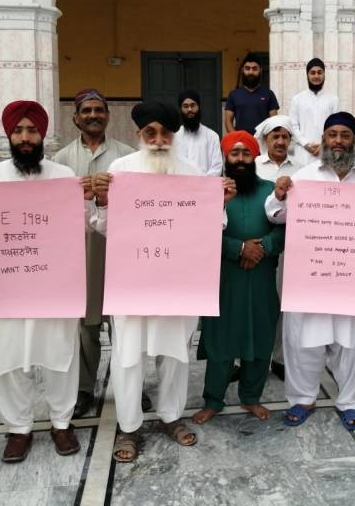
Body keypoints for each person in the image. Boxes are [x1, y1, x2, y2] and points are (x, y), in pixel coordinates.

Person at [90, 101, 236, 462]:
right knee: (128, 355)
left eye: (164, 133)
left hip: (178, 284)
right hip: (133, 283)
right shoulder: (119, 170)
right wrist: (104, 200)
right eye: (149, 133)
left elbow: (213, 228)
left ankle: (171, 416)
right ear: (139, 135)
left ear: (174, 136)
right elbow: (103, 227)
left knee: (175, 354)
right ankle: (130, 426)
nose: (157, 140)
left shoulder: (192, 173)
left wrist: (222, 203)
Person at [0, 100, 86, 463]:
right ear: (9, 134)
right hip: (7, 288)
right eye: (19, 131)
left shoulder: (62, 174)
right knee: (10, 359)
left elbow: (82, 224)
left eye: (32, 130)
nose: (26, 138)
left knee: (60, 357)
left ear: (43, 135)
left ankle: (61, 422)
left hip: (54, 288)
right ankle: (19, 429)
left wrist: (85, 198)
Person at [265, 112, 355, 431]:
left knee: (354, 343)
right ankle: (302, 398)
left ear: (353, 141)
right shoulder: (304, 177)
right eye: (332, 135)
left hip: (353, 280)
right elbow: (274, 215)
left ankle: (351, 402)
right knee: (303, 342)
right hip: (311, 278)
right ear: (323, 139)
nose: (338, 141)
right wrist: (280, 194)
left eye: (344, 135)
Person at [53, 88, 134, 419]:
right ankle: (84, 389)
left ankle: (131, 387)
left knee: (125, 325)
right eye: (86, 111)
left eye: (99, 110)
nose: (92, 115)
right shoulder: (59, 162)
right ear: (75, 117)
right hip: (80, 254)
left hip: (120, 253)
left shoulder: (127, 157)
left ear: (107, 115)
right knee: (84, 328)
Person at [193, 131, 284, 424]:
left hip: (261, 278)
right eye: (235, 154)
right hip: (224, 280)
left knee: (260, 340)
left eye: (246, 154)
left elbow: (285, 228)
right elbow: (199, 232)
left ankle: (251, 398)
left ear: (254, 157)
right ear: (226, 157)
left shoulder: (271, 191)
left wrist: (264, 247)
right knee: (221, 341)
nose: (241, 160)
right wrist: (239, 248)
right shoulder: (211, 193)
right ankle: (213, 400)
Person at [254, 115, 304, 380]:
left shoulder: (302, 170)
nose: (281, 141)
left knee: (286, 302)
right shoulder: (252, 167)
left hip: (291, 248)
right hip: (256, 248)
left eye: (285, 136)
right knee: (259, 303)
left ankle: (281, 358)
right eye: (276, 136)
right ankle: (252, 356)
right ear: (265, 140)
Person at [289, 58, 339, 163]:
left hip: (326, 151)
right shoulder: (297, 99)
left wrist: (323, 144)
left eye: (319, 73)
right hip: (302, 153)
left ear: (324, 75)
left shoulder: (333, 99)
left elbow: (335, 127)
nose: (316, 76)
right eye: (313, 73)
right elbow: (293, 126)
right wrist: (306, 144)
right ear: (307, 75)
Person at [224, 53, 279, 133]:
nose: (251, 72)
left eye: (254, 69)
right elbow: (228, 122)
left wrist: (268, 140)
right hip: (241, 142)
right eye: (247, 68)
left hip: (263, 141)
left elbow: (274, 122)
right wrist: (237, 138)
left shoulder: (269, 94)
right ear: (243, 70)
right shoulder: (233, 95)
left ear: (260, 70)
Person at [174, 89, 223, 176]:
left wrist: (201, 185)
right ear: (180, 109)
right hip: (179, 187)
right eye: (185, 106)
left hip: (204, 187)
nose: (190, 109)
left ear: (199, 107)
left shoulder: (212, 136)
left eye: (193, 105)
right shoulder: (174, 137)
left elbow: (216, 167)